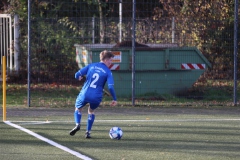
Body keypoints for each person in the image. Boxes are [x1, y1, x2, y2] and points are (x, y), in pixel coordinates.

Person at [69, 50, 117, 138]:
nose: (111, 62)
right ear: (106, 60)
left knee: (78, 108)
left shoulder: (91, 66)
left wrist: (79, 77)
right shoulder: (108, 71)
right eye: (110, 60)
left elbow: (77, 75)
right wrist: (114, 98)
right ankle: (88, 132)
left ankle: (77, 124)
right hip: (96, 96)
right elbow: (110, 87)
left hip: (85, 93)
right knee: (91, 111)